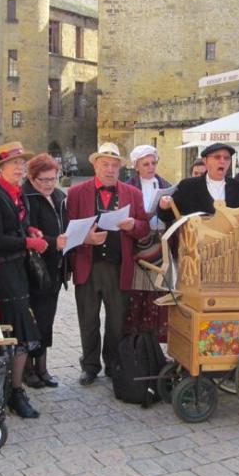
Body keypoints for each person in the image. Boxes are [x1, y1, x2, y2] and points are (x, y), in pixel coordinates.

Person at [63, 143, 150, 385]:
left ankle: (113, 363)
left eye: (114, 165)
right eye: (105, 165)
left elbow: (145, 228)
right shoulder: (77, 193)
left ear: (120, 168)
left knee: (117, 320)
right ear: (95, 165)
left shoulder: (133, 194)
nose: (110, 169)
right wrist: (85, 238)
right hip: (87, 265)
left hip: (118, 267)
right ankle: (90, 365)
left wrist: (134, 225)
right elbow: (67, 230)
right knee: (88, 318)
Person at [0, 142, 45, 418]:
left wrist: (30, 229)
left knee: (16, 330)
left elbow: (16, 226)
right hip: (0, 269)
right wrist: (28, 241)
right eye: (15, 163)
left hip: (17, 267)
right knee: (15, 330)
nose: (21, 167)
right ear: (0, 168)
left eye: (22, 163)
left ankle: (9, 388)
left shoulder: (18, 193)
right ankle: (13, 391)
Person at [22, 154, 66, 389]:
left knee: (47, 320)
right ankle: (28, 369)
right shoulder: (26, 197)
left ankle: (42, 367)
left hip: (55, 268)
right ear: (32, 177)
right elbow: (26, 232)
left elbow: (65, 225)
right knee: (34, 319)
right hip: (34, 268)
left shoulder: (59, 196)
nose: (50, 184)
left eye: (53, 178)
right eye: (44, 180)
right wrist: (53, 241)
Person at [125, 145, 172, 340]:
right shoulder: (128, 187)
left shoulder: (164, 185)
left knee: (158, 291)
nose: (150, 167)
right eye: (145, 164)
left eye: (153, 163)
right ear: (136, 166)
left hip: (161, 241)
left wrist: (166, 207)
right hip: (137, 243)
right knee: (136, 293)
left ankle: (155, 342)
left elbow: (172, 217)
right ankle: (134, 342)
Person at [159, 143, 239, 221]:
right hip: (198, 238)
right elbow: (168, 216)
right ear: (205, 161)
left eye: (227, 158)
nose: (222, 161)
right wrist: (164, 206)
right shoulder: (188, 186)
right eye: (217, 157)